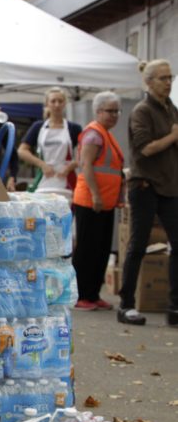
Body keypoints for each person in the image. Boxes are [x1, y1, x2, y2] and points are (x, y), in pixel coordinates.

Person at [118, 60, 178, 326]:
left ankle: (175, 307)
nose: (168, 82)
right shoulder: (142, 110)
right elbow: (144, 150)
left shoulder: (171, 110)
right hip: (144, 186)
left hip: (170, 186)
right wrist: (173, 137)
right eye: (163, 78)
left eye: (170, 77)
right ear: (149, 82)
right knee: (138, 245)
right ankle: (126, 304)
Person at [72, 91, 124, 312]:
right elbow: (86, 165)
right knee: (87, 249)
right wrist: (95, 194)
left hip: (105, 202)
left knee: (101, 250)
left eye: (116, 111)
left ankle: (93, 293)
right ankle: (81, 294)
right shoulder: (93, 135)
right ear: (98, 111)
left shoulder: (105, 133)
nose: (114, 115)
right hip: (91, 201)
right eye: (110, 111)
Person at [17, 87, 82, 195]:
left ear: (65, 103)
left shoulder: (74, 128)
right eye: (53, 101)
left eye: (60, 101)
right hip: (44, 177)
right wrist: (42, 164)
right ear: (47, 103)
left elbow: (85, 153)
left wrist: (70, 167)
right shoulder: (38, 127)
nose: (57, 104)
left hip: (67, 179)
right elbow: (22, 151)